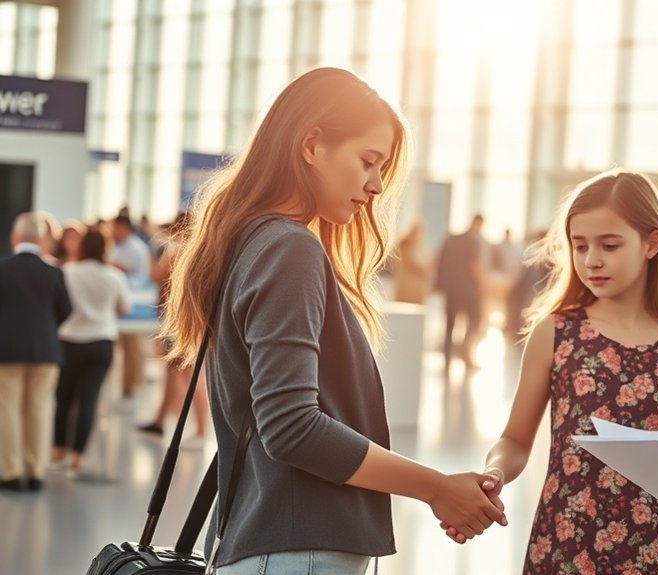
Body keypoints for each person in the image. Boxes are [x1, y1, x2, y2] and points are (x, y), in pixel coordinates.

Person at [160, 67, 506, 575]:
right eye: (368, 161)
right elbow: (292, 427)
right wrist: (436, 489)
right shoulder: (288, 248)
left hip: (272, 545)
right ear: (312, 145)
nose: (376, 185)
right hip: (297, 554)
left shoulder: (247, 241)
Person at [467, 170, 658, 574]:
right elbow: (514, 440)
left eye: (609, 245)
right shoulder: (556, 331)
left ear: (652, 243)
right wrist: (495, 472)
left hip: (651, 556)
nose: (591, 260)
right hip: (562, 548)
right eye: (579, 246)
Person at [0, 212, 72, 491]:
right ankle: (36, 471)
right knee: (40, 409)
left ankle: (11, 472)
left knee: (8, 409)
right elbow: (65, 310)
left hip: (6, 350)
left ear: (14, 237)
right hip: (46, 350)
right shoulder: (54, 272)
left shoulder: (2, 268)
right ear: (42, 239)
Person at [52, 229, 131, 477]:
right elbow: (123, 308)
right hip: (101, 341)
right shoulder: (115, 276)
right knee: (88, 400)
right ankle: (77, 457)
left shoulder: (68, 271)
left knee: (63, 398)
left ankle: (58, 451)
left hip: (69, 340)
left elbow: (58, 304)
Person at [137, 212, 209, 449]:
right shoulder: (200, 251)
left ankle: (200, 431)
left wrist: (153, 255)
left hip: (178, 320)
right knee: (174, 370)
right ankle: (160, 422)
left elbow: (156, 276)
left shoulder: (176, 250)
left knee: (188, 373)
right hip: (187, 319)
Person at [434, 215, 486, 370]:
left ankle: (447, 359)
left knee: (449, 325)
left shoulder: (451, 239)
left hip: (451, 289)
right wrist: (482, 286)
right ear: (478, 223)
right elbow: (474, 265)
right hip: (468, 291)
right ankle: (465, 355)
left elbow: (439, 262)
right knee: (473, 323)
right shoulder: (472, 241)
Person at [110, 213, 152, 399]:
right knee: (126, 347)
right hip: (124, 299)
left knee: (133, 347)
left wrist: (117, 268)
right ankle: (128, 384)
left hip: (136, 301)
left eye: (116, 228)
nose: (113, 232)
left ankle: (133, 384)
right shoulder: (118, 246)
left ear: (124, 227)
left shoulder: (136, 247)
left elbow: (137, 274)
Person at [391, 221, 429, 304]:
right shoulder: (405, 246)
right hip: (407, 287)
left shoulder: (419, 247)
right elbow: (412, 264)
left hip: (416, 288)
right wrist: (424, 270)